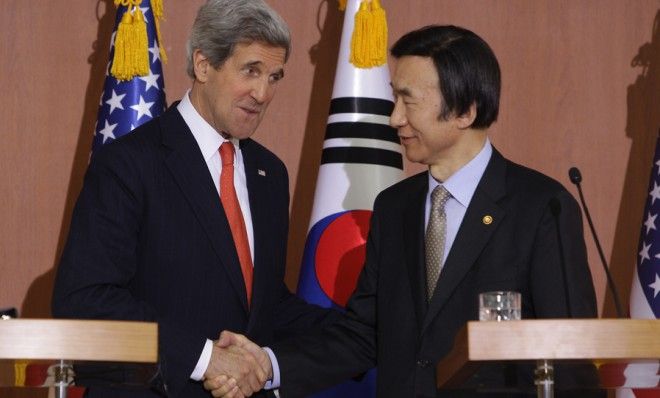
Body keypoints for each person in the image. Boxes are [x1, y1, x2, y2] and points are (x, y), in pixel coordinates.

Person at [205, 25, 601, 397]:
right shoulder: (395, 207)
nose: (394, 118)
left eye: (407, 100)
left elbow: (570, 355)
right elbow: (363, 335)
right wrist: (268, 365)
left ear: (466, 111)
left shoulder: (541, 207)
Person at [51, 1, 336, 397]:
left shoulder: (269, 173)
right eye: (251, 71)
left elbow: (265, 304)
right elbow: (84, 300)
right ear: (204, 65)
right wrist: (204, 358)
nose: (263, 93)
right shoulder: (130, 162)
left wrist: (364, 331)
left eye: (274, 77)